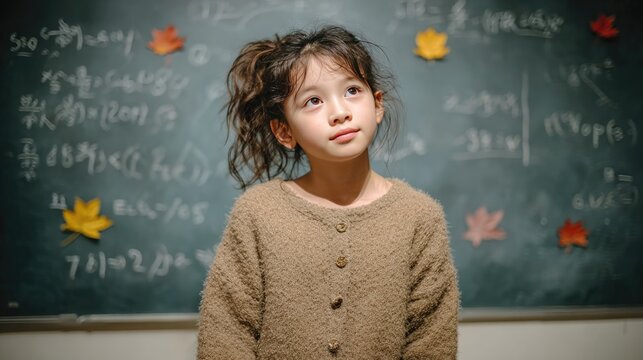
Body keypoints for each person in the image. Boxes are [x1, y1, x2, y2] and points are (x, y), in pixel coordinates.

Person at [198, 25, 459, 359]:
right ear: (284, 131)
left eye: (352, 90)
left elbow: (431, 341)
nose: (340, 112)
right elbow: (225, 333)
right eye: (313, 100)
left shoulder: (420, 217)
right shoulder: (258, 213)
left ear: (377, 105)